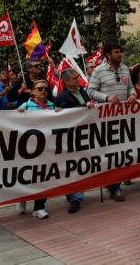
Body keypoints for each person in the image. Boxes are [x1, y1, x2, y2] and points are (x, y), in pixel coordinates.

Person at [87, 42, 136, 200]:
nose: (120, 54)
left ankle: (114, 182)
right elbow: (90, 91)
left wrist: (133, 95)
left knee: (121, 152)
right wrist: (106, 98)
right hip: (106, 120)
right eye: (116, 52)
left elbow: (131, 87)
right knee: (112, 153)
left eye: (120, 52)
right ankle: (115, 187)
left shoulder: (125, 69)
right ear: (108, 55)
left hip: (124, 119)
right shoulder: (98, 71)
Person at [17, 79, 59, 217]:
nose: (43, 91)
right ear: (33, 91)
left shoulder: (53, 106)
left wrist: (60, 114)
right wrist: (18, 113)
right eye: (39, 88)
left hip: (46, 148)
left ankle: (39, 207)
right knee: (27, 176)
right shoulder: (26, 106)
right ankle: (22, 198)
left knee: (43, 177)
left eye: (45, 89)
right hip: (28, 149)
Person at [55, 68, 96, 212]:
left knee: (80, 166)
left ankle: (74, 194)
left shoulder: (83, 92)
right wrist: (84, 107)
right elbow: (68, 114)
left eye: (77, 78)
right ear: (65, 81)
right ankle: (76, 198)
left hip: (85, 133)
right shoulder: (62, 96)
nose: (77, 80)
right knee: (73, 167)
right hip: (71, 136)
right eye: (74, 79)